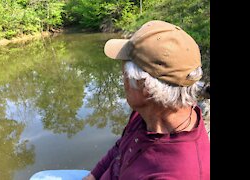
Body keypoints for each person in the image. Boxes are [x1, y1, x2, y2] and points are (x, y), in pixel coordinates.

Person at [83, 20, 210, 180]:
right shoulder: (147, 111)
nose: (123, 82)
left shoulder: (179, 173)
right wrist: (92, 176)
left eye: (124, 75)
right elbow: (120, 149)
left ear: (144, 88)